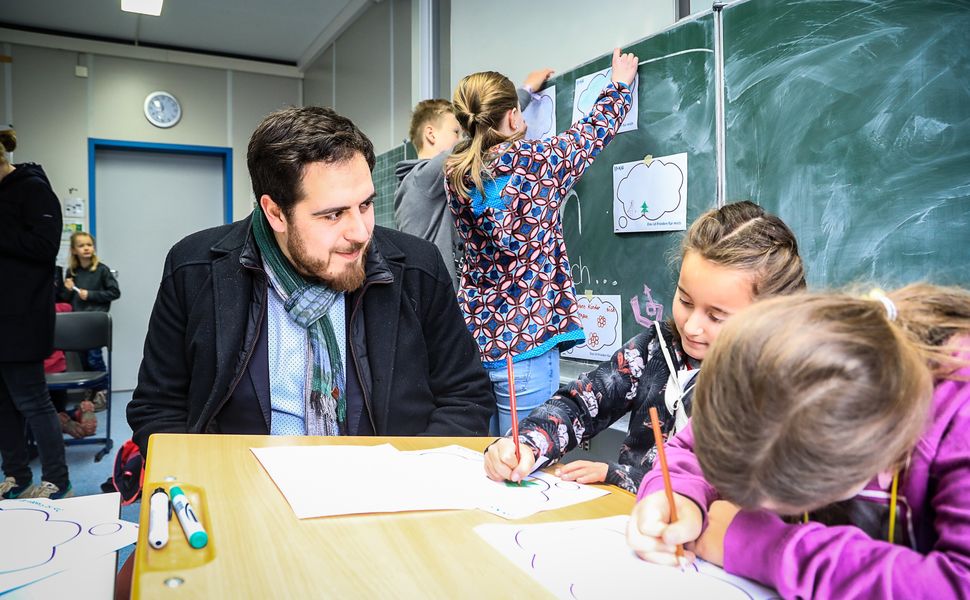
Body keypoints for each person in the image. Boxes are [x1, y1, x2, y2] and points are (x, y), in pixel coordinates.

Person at [127, 106, 495, 457]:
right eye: (333, 214)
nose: (360, 232)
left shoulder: (417, 268)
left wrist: (407, 475)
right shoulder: (195, 269)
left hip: (386, 494)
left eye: (365, 205)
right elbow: (159, 410)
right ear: (275, 213)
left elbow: (465, 396)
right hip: (243, 493)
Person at [627, 284, 970, 598]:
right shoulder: (784, 366)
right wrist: (680, 496)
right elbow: (694, 448)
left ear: (871, 459)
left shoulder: (959, 413)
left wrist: (766, 546)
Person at [483, 201, 806, 491]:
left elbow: (733, 494)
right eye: (685, 300)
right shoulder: (656, 348)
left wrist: (624, 477)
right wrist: (528, 444)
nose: (692, 327)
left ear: (769, 315)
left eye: (717, 317)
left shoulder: (780, 385)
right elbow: (582, 404)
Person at [445, 49, 637, 436]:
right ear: (514, 116)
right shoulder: (537, 162)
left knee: (484, 462)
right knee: (525, 459)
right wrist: (618, 85)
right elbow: (591, 134)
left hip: (476, 340)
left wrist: (520, 95)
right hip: (528, 344)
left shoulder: (456, 176)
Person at [394, 68, 555, 288]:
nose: (462, 137)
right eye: (456, 132)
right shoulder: (420, 178)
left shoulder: (427, 183)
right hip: (436, 303)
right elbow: (481, 136)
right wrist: (522, 94)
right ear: (431, 134)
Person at [0, 126, 72, 499]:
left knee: (32, 400)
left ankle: (57, 480)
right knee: (4, 403)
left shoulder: (33, 189)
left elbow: (44, 247)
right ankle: (16, 475)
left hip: (23, 318)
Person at [59, 231, 120, 411]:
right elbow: (64, 298)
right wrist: (68, 289)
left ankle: (101, 392)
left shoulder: (101, 270)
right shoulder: (72, 272)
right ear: (74, 250)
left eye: (89, 245)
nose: (86, 248)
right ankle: (90, 393)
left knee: (95, 359)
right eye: (81, 245)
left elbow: (114, 293)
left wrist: (90, 294)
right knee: (83, 361)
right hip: (78, 322)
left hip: (94, 323)